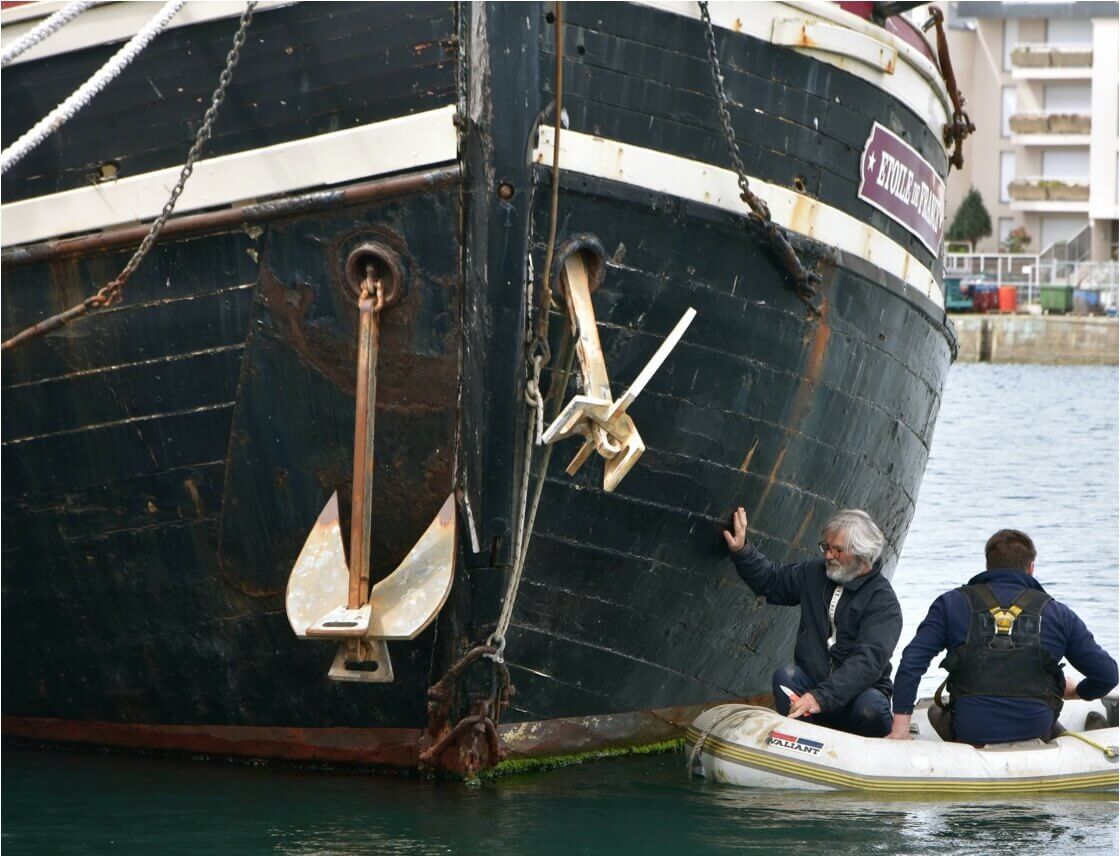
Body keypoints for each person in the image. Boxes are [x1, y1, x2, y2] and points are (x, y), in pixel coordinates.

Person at [887, 529, 1118, 745]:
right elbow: (1107, 675)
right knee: (1049, 718)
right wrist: (1078, 691)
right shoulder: (1058, 613)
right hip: (1035, 725)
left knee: (933, 711)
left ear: (988, 565)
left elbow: (912, 661)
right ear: (1031, 568)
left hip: (971, 727)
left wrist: (900, 729)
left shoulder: (950, 604)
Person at [724, 507, 902, 737]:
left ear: (862, 554)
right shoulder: (813, 574)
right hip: (813, 685)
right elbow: (772, 582)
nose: (828, 555)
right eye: (826, 547)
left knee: (871, 709)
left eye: (837, 550)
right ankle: (805, 742)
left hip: (858, 695)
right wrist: (742, 550)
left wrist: (821, 697)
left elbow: (867, 663)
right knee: (785, 677)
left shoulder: (883, 602)